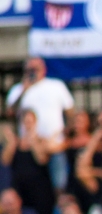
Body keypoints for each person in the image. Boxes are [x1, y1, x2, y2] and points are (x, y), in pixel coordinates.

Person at [6, 57, 73, 192]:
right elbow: (10, 112)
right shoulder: (18, 89)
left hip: (53, 146)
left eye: (35, 69)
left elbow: (70, 112)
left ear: (44, 69)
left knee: (59, 185)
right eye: (29, 69)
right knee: (34, 185)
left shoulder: (56, 86)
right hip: (29, 147)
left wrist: (65, 135)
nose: (32, 72)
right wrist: (24, 90)